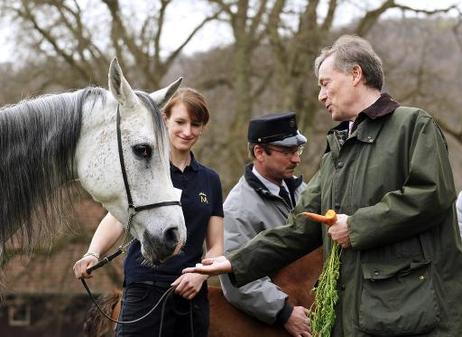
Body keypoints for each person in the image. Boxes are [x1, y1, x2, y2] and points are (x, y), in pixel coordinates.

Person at [184, 35, 462, 337]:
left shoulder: (413, 126)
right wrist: (233, 262)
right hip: (360, 320)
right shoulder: (337, 152)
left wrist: (357, 226)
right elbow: (300, 226)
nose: (320, 95)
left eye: (325, 83)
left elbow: (433, 194)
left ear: (355, 74)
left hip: (415, 318)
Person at [73, 88, 224, 337]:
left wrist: (201, 275)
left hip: (191, 297)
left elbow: (216, 246)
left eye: (195, 125)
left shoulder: (210, 180)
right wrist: (93, 252)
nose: (188, 131)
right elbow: (117, 219)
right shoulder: (145, 168)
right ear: (164, 120)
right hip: (145, 290)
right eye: (180, 122)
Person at [219, 112, 309, 336]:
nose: (296, 159)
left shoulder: (302, 190)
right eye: (287, 152)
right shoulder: (237, 208)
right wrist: (284, 312)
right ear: (259, 152)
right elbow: (236, 280)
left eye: (297, 151)